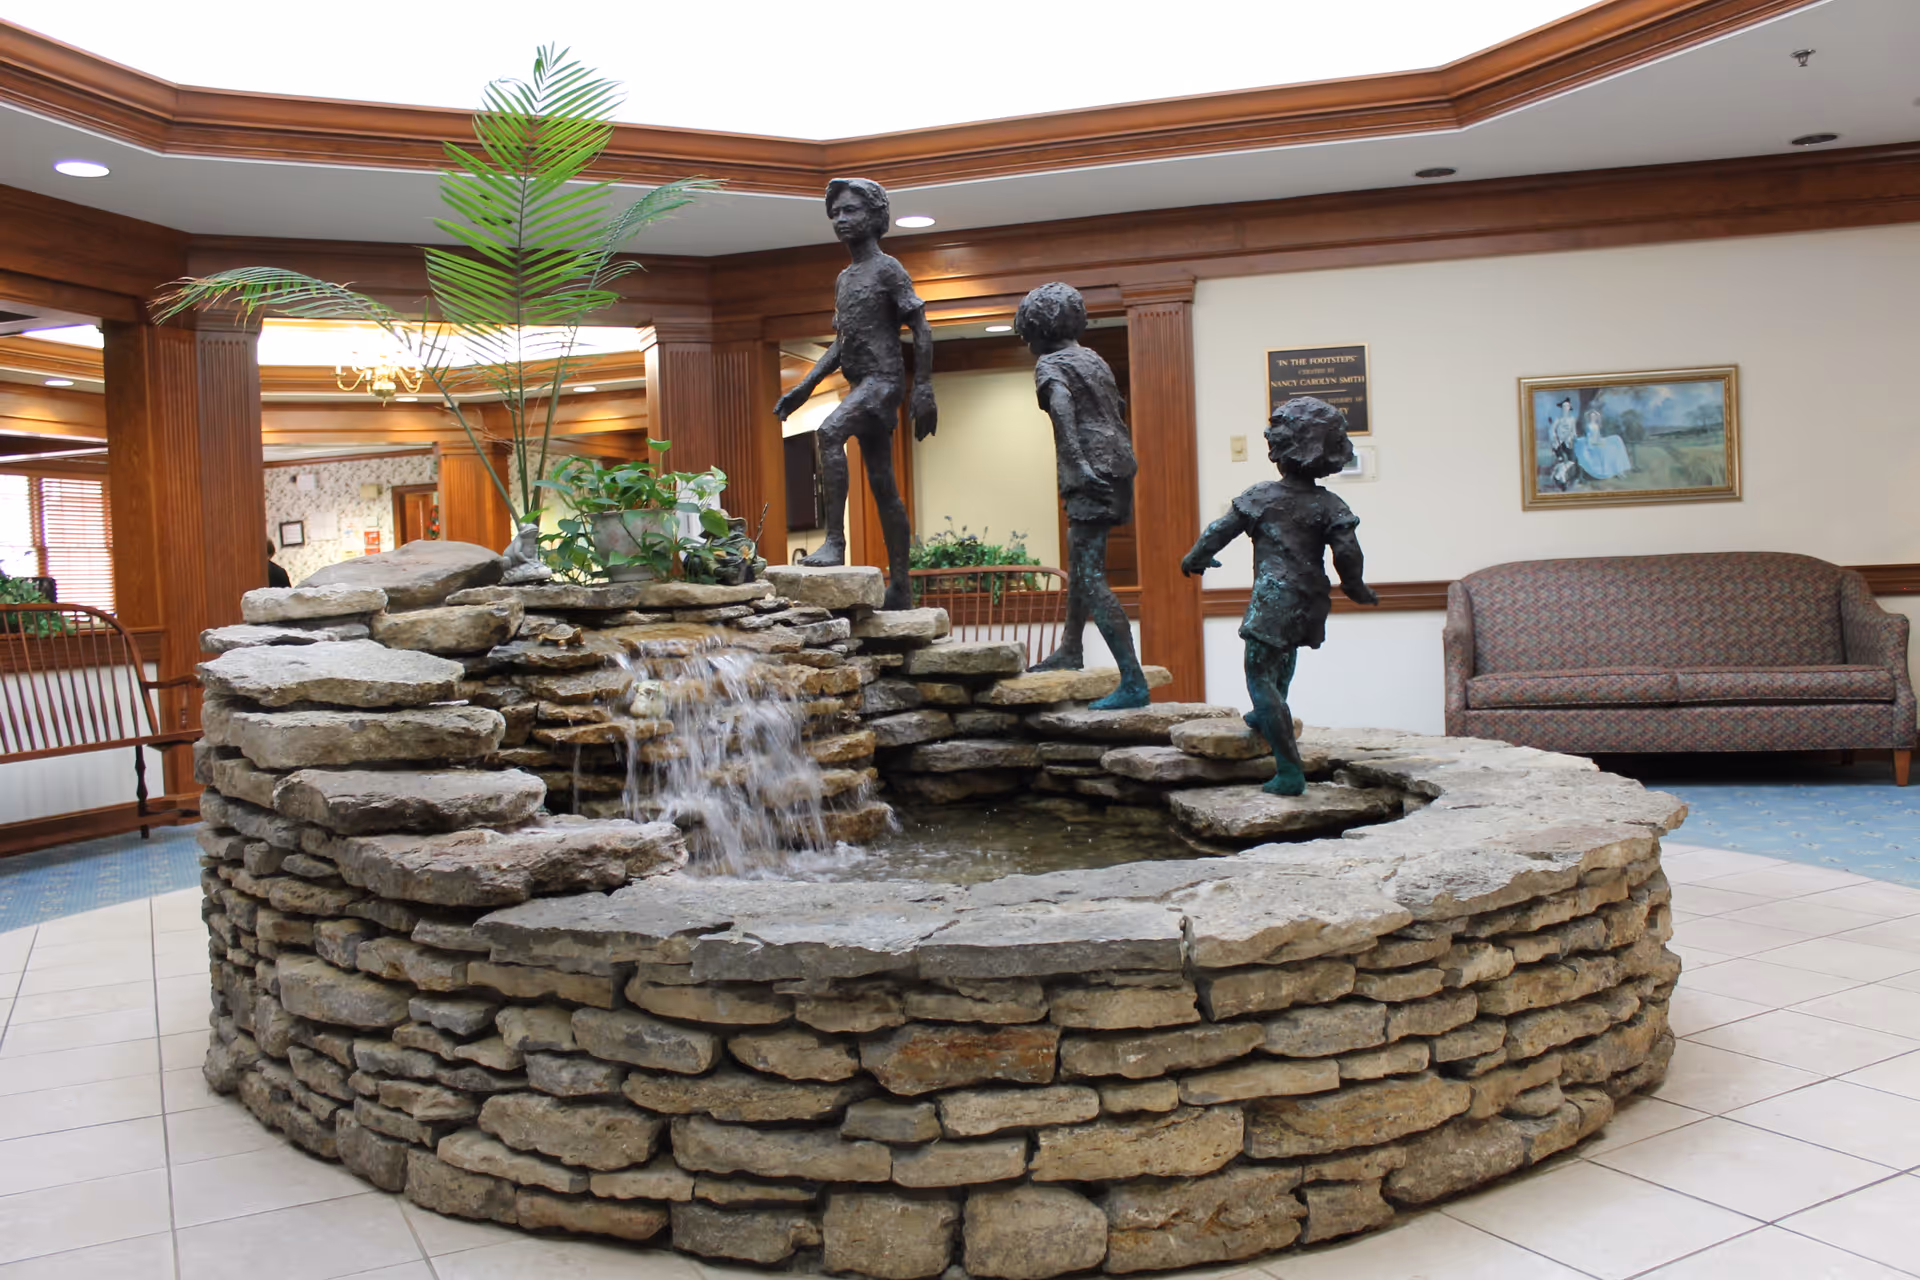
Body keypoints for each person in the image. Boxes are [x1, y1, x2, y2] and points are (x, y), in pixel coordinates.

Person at [1181, 396, 1376, 795]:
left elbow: (1220, 530)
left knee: (1258, 674)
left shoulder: (1261, 496)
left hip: (1273, 596)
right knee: (1284, 658)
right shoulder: (1330, 503)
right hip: (1311, 597)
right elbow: (1348, 552)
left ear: (1279, 449)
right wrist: (1355, 588)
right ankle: (1267, 715)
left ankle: (1289, 770)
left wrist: (1197, 557)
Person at [773, 178, 936, 611]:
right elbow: (843, 342)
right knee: (884, 487)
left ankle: (834, 542)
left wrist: (923, 388)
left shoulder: (888, 269)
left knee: (828, 434)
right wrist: (804, 388)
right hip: (861, 381)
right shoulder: (845, 279)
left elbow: (920, 326)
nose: (841, 220)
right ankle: (901, 585)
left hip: (883, 383)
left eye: (851, 211)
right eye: (836, 213)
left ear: (876, 217)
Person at [1014, 281, 1149, 709]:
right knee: (1081, 558)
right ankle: (1070, 649)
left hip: (1091, 470)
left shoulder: (1051, 363)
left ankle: (1132, 679)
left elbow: (1061, 410)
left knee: (1090, 576)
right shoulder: (1092, 358)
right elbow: (1118, 408)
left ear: (1036, 329)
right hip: (1119, 464)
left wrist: (1077, 463)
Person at [1573, 405, 1633, 480]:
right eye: (1591, 416)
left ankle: (1618, 470)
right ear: (1589, 417)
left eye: (1594, 416)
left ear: (1596, 417)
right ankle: (1612, 470)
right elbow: (1590, 438)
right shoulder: (1589, 426)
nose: (1593, 418)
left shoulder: (1596, 425)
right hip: (1592, 444)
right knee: (1605, 450)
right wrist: (1596, 443)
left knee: (1616, 440)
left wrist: (1601, 441)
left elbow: (1598, 436)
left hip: (1598, 440)